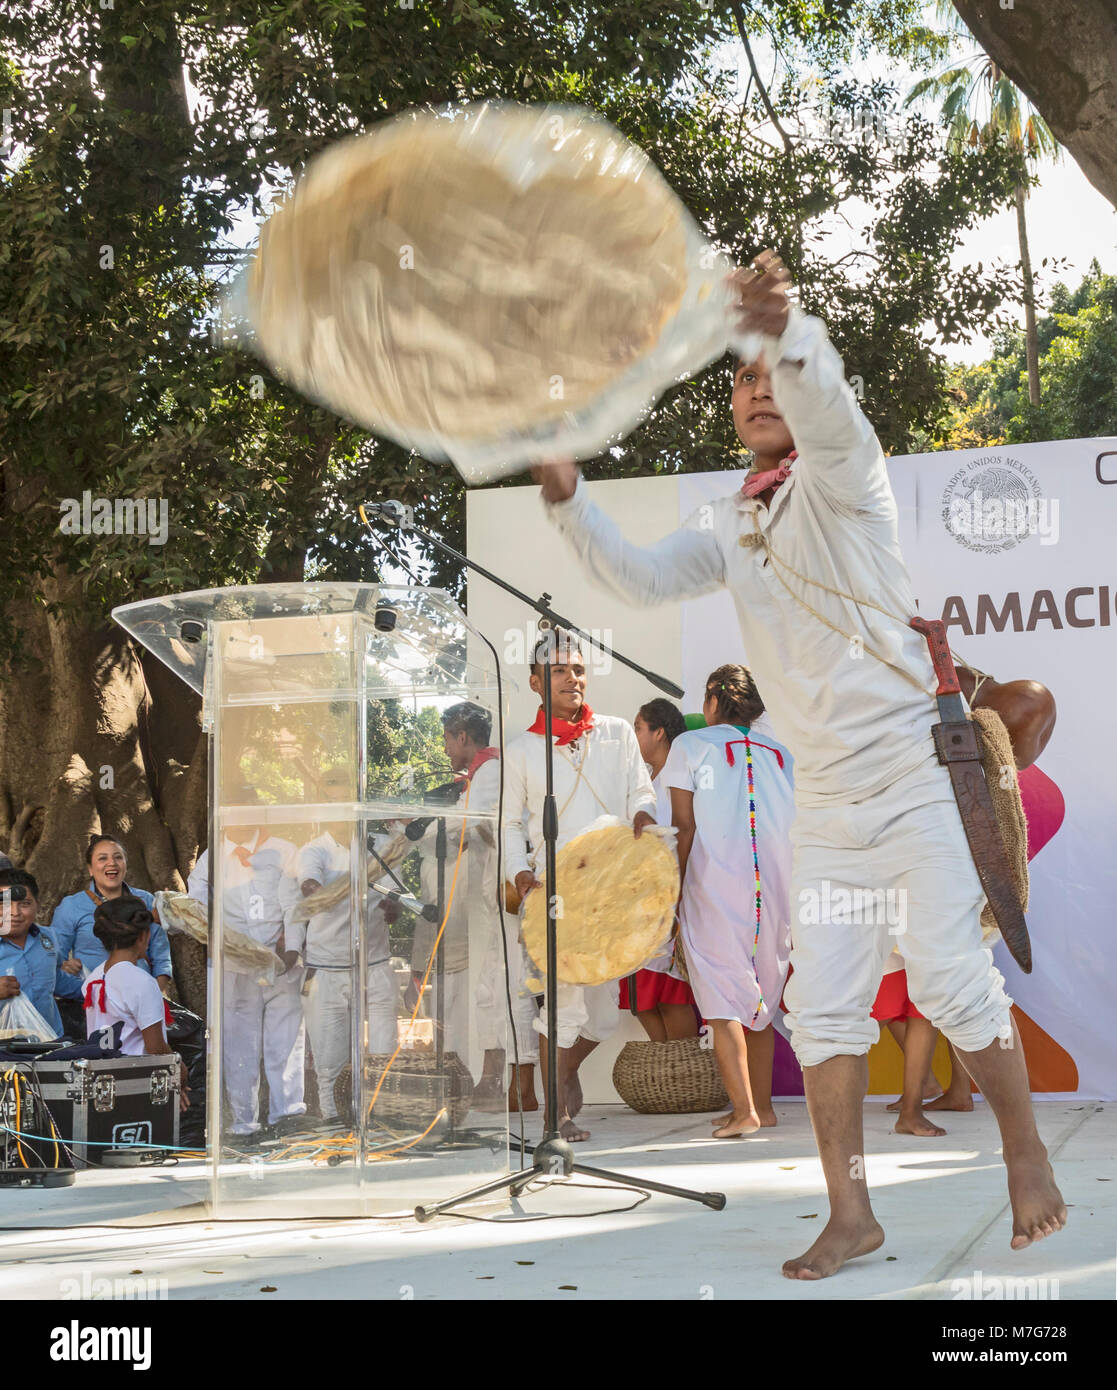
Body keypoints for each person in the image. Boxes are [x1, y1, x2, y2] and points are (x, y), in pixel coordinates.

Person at [534, 249, 1065, 1274]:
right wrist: (567, 498)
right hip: (825, 807)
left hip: (912, 781)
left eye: (770, 376)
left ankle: (1024, 1154)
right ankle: (850, 1212)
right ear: (731, 412)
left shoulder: (848, 478)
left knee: (950, 976)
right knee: (821, 1010)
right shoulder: (728, 527)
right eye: (742, 380)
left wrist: (784, 332)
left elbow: (827, 406)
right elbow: (639, 577)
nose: (758, 389)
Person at [504, 633, 656, 1142]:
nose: (573, 678)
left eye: (578, 669)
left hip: (611, 890)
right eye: (559, 671)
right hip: (557, 892)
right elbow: (509, 823)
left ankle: (563, 1074)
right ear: (535, 683)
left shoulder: (616, 732)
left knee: (604, 1014)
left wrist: (643, 813)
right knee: (563, 1004)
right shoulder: (523, 750)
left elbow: (641, 789)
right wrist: (518, 869)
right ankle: (556, 1117)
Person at [664, 666, 794, 1136]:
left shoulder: (689, 745)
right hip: (774, 887)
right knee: (761, 1001)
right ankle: (763, 1107)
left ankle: (744, 1113)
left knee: (722, 1001)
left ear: (714, 701)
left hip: (714, 883)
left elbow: (684, 827)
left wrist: (672, 890)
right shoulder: (780, 752)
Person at [187, 822, 307, 1140]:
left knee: (285, 1041)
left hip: (280, 963)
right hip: (234, 965)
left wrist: (292, 947)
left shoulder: (283, 850)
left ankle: (287, 1116)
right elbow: (197, 906)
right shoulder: (211, 858)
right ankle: (244, 1125)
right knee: (238, 1046)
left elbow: (294, 905)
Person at [621, 697, 698, 1040]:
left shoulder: (676, 781)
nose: (633, 735)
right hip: (640, 902)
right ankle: (664, 1060)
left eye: (638, 728)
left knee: (668, 994)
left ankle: (682, 1064)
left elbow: (684, 833)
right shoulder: (647, 782)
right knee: (640, 997)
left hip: (668, 899)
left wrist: (674, 897)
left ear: (659, 733)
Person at [285, 770, 356, 1125]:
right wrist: (322, 890)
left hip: (370, 968)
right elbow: (309, 886)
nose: (337, 808)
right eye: (330, 801)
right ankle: (333, 1125)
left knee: (378, 1057)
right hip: (325, 971)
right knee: (329, 1062)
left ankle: (373, 1124)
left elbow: (394, 904)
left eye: (343, 800)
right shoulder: (313, 850)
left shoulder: (375, 846)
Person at [83, 895, 189, 1112]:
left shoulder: (92, 978)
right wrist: (181, 1073)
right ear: (143, 936)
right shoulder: (141, 982)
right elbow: (156, 1049)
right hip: (137, 1084)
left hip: (101, 1083)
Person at [50, 836, 173, 993]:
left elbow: (161, 958)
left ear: (125, 864)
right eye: (103, 858)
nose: (112, 863)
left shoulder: (146, 901)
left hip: (139, 995)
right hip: (90, 997)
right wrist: (65, 967)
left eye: (118, 857)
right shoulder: (72, 906)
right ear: (90, 869)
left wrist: (152, 995)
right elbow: (54, 958)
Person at [871, 950, 947, 1137]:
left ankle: (912, 1110)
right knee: (870, 1014)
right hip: (884, 945)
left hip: (928, 945)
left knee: (924, 1008)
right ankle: (829, 1098)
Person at [0, 868, 82, 1038]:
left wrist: (95, 990)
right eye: (4, 904)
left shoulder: (49, 938)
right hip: (5, 1046)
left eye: (24, 904)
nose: (14, 913)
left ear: (37, 904)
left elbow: (54, 979)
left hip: (49, 1041)